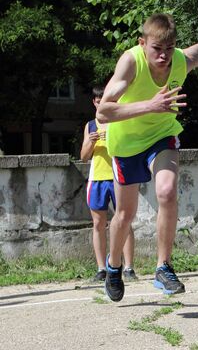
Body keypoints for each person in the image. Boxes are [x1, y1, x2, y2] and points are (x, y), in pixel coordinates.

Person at [97, 13, 198, 302]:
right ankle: (114, 266)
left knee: (166, 191)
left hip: (162, 136)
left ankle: (163, 267)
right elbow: (103, 111)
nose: (163, 56)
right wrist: (151, 105)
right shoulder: (131, 62)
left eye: (169, 48)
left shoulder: (180, 59)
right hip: (126, 143)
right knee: (125, 214)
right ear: (143, 44)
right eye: (156, 49)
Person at [80, 86, 138, 282]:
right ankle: (101, 268)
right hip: (97, 178)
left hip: (118, 177)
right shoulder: (90, 125)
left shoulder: (119, 121)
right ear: (94, 102)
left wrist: (112, 138)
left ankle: (129, 267)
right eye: (97, 100)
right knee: (98, 223)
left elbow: (130, 146)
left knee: (125, 221)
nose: (100, 103)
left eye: (103, 99)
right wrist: (91, 142)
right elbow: (84, 157)